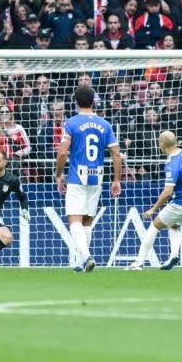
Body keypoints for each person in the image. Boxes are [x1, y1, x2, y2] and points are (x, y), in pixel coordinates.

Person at [55, 86, 122, 272]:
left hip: (77, 176)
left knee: (74, 219)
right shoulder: (105, 124)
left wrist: (59, 175)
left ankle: (86, 257)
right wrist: (117, 180)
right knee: (87, 220)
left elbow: (62, 152)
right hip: (97, 177)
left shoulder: (71, 123)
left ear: (75, 102)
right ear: (94, 101)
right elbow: (116, 154)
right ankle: (80, 262)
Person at [125, 131, 182, 271]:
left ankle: (138, 262)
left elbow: (168, 191)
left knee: (155, 225)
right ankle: (173, 256)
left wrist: (153, 209)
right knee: (173, 224)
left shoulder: (171, 163)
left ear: (161, 144)